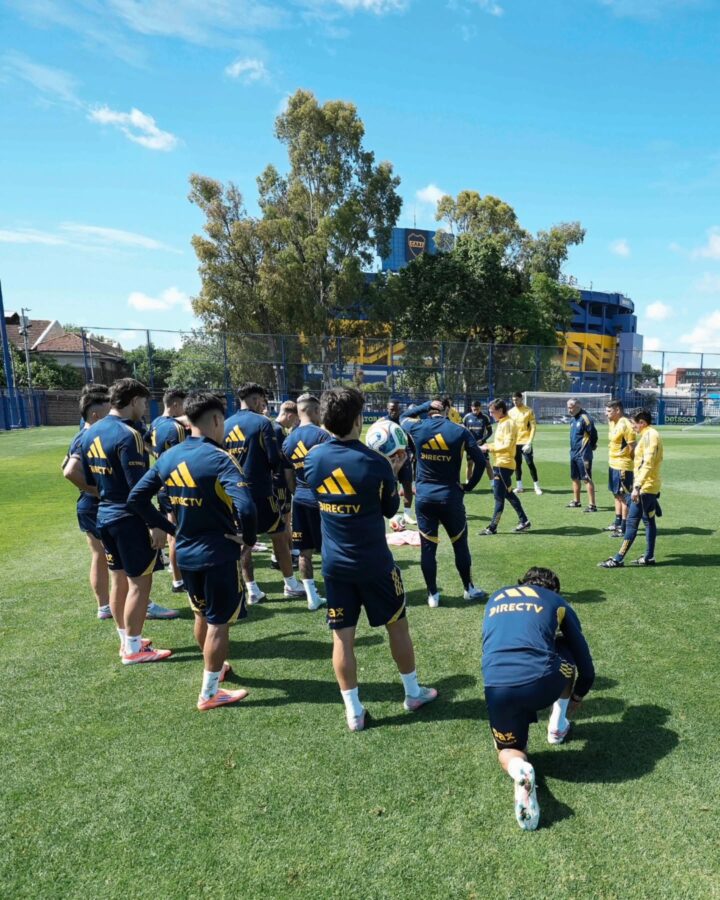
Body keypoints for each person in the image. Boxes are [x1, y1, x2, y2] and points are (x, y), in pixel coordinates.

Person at [304, 387, 437, 731]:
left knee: (342, 639)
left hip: (334, 566)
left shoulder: (313, 458)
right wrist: (393, 471)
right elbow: (391, 509)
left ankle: (353, 712)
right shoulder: (375, 463)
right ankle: (412, 693)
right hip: (375, 564)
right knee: (398, 627)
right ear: (359, 419)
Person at [128, 391, 258, 709]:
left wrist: (173, 530)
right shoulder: (220, 458)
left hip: (186, 553)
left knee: (201, 613)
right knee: (218, 622)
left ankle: (214, 670)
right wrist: (248, 540)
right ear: (215, 419)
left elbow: (136, 498)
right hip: (217, 554)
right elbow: (247, 506)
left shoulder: (169, 456)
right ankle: (210, 692)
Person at [482, 567, 595, 830]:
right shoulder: (557, 602)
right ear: (553, 589)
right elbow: (585, 663)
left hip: (496, 686)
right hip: (542, 681)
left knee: (508, 750)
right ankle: (557, 725)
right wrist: (579, 692)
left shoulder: (495, 597)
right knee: (563, 645)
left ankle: (519, 769)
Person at [74, 378, 175, 663]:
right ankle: (133, 649)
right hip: (128, 519)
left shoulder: (91, 432)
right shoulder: (128, 436)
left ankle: (126, 639)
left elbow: (90, 480)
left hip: (103, 514)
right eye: (143, 403)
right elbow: (137, 492)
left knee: (118, 579)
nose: (144, 409)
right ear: (133, 402)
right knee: (139, 585)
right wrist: (157, 525)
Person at [401, 399, 491, 607]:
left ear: (429, 411)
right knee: (460, 544)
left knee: (428, 549)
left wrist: (424, 406)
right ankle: (469, 589)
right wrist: (469, 486)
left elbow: (404, 416)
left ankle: (433, 595)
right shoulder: (460, 431)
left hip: (424, 497)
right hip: (451, 497)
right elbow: (480, 461)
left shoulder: (416, 427)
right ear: (448, 411)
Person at [224, 382, 304, 603]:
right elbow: (273, 459)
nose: (263, 404)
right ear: (256, 399)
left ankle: (252, 590)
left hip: (233, 494)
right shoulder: (262, 423)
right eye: (262, 400)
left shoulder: (225, 424)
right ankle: (290, 584)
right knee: (279, 536)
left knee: (243, 541)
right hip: (260, 491)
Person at [62, 385, 112, 619]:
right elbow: (69, 471)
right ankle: (134, 601)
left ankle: (104, 607)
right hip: (95, 505)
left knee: (100, 555)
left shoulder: (81, 435)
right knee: (114, 555)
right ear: (95, 414)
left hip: (89, 505)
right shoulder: (88, 436)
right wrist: (97, 491)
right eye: (108, 408)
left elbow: (63, 464)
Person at [282, 393, 330, 611]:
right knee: (330, 549)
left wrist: (298, 493)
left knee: (304, 552)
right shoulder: (323, 436)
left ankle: (312, 597)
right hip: (322, 501)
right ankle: (335, 592)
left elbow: (288, 477)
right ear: (313, 410)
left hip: (299, 500)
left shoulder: (288, 440)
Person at [599, 410, 663, 568]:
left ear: (642, 422)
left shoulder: (649, 436)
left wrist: (637, 487)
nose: (632, 427)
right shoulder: (651, 434)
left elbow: (647, 463)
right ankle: (649, 557)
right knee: (649, 522)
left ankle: (618, 559)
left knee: (632, 523)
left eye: (634, 424)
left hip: (644, 488)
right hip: (651, 487)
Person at [149, 387, 189, 593]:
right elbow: (182, 457)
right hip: (175, 484)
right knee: (175, 533)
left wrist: (158, 458)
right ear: (175, 405)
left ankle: (178, 576)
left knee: (172, 530)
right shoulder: (176, 429)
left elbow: (147, 442)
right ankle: (179, 580)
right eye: (183, 404)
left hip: (161, 483)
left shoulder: (156, 422)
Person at [480, 399, 531, 535]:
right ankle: (524, 521)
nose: (490, 414)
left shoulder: (508, 423)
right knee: (508, 494)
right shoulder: (503, 422)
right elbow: (501, 443)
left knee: (498, 498)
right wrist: (488, 446)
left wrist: (488, 448)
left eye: (492, 411)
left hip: (503, 466)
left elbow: (507, 446)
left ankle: (492, 527)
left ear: (500, 410)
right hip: (502, 464)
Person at [270, 400, 300, 572]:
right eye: (294, 419)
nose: (294, 423)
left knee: (284, 520)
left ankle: (284, 554)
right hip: (280, 482)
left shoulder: (276, 429)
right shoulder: (278, 431)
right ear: (289, 415)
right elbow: (281, 459)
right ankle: (283, 556)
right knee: (283, 520)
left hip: (279, 481)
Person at [603, 400, 636, 537]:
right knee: (616, 494)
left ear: (618, 410)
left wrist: (635, 466)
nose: (606, 414)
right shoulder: (612, 423)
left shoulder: (626, 424)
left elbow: (632, 446)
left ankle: (624, 526)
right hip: (613, 464)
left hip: (623, 466)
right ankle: (617, 522)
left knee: (624, 497)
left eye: (609, 411)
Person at [383, 400, 416, 528]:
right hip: (390, 459)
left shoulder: (404, 422)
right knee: (392, 485)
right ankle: (392, 511)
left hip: (404, 457)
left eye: (396, 409)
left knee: (407, 484)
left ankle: (407, 514)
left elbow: (410, 439)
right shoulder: (382, 423)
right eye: (391, 409)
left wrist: (414, 453)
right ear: (387, 409)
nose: (394, 411)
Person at [566, 398, 598, 512]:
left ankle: (592, 505)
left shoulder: (586, 418)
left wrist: (592, 445)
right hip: (574, 453)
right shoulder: (573, 419)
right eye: (568, 407)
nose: (569, 410)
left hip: (583, 454)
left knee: (586, 478)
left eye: (571, 407)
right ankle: (576, 501)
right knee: (574, 477)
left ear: (578, 406)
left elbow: (593, 433)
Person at [509, 391, 542, 496]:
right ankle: (519, 487)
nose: (515, 402)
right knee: (517, 464)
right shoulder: (510, 412)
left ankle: (537, 487)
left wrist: (529, 442)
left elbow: (533, 427)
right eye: (513, 400)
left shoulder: (528, 411)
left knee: (530, 463)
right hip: (515, 443)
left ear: (521, 399)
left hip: (525, 442)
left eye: (517, 400)